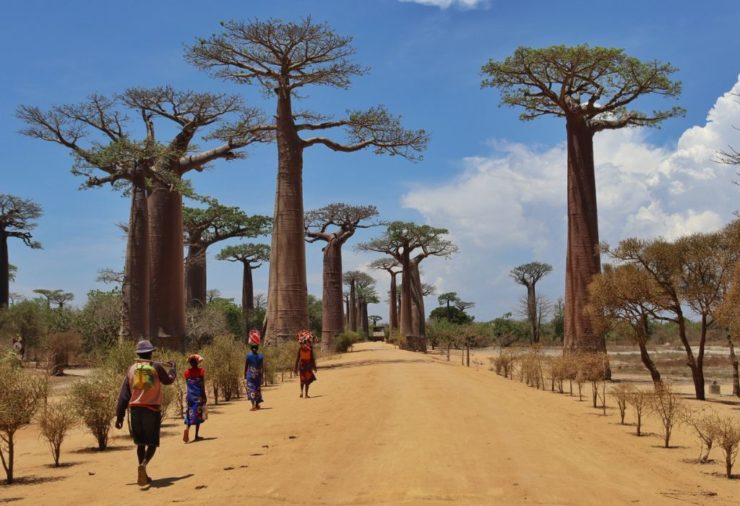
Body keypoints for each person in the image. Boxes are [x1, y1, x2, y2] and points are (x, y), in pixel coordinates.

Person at [115, 339, 176, 487]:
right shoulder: (155, 367)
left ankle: (144, 474)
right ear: (151, 353)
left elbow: (124, 394)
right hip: (151, 410)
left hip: (135, 411)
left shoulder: (131, 369)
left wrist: (120, 415)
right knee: (153, 443)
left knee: (140, 444)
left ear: (138, 353)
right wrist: (173, 369)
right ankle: (143, 465)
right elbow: (168, 380)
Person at [183, 354, 207, 443]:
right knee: (198, 414)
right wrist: (204, 395)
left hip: (190, 396)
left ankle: (187, 428)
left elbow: (187, 385)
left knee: (190, 413)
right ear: (197, 363)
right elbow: (202, 384)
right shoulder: (201, 371)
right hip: (198, 396)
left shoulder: (186, 372)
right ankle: (196, 435)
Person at [244, 329, 264, 411]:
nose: (255, 348)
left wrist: (244, 374)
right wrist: (262, 377)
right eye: (254, 347)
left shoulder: (249, 355)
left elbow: (246, 366)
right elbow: (261, 368)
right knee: (256, 389)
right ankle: (256, 404)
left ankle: (254, 405)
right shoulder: (260, 356)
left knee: (253, 389)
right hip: (256, 376)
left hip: (251, 375)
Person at [294, 329, 317, 398]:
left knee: (304, 380)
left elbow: (312, 359)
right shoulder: (302, 349)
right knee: (305, 380)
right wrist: (295, 368)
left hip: (305, 366)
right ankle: (304, 393)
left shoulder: (308, 349)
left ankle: (303, 393)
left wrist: (314, 367)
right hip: (304, 366)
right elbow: (298, 359)